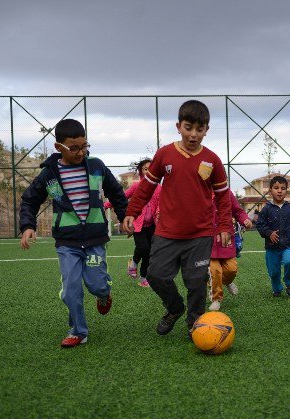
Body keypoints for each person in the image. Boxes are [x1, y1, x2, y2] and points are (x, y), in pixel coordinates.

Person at [122, 100, 232, 339]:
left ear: (206, 130)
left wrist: (224, 225)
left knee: (195, 282)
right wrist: (132, 212)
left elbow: (224, 197)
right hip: (167, 232)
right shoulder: (165, 154)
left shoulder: (212, 160)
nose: (193, 134)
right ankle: (174, 308)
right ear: (178, 126)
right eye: (188, 127)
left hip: (200, 234)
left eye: (199, 129)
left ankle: (196, 325)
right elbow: (145, 188)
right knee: (155, 275)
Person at [19, 118, 128, 348]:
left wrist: (125, 215)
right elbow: (29, 201)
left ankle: (103, 294)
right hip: (67, 242)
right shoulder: (49, 175)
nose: (81, 152)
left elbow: (116, 192)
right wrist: (28, 226)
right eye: (75, 148)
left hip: (95, 238)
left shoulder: (96, 166)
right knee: (71, 289)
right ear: (59, 147)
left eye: (85, 146)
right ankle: (78, 330)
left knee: (97, 284)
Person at [106, 158, 161, 287]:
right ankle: (134, 263)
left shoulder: (159, 188)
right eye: (145, 169)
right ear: (141, 172)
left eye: (151, 169)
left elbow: (161, 204)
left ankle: (143, 277)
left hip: (152, 225)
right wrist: (106, 204)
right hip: (137, 224)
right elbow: (122, 197)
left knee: (149, 252)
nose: (149, 171)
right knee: (143, 248)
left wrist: (159, 213)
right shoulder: (137, 186)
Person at [256, 175, 290, 297]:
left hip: (287, 245)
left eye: (283, 188)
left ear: (286, 191)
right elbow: (260, 225)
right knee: (273, 271)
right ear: (270, 191)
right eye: (276, 188)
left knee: (289, 262)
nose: (279, 191)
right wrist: (269, 233)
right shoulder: (266, 209)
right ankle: (277, 288)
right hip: (271, 248)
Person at [208, 189, 252, 311]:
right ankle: (216, 299)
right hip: (208, 240)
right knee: (214, 270)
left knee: (231, 269)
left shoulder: (226, 193)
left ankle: (227, 282)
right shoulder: (200, 191)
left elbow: (238, 211)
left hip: (225, 238)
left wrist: (245, 219)